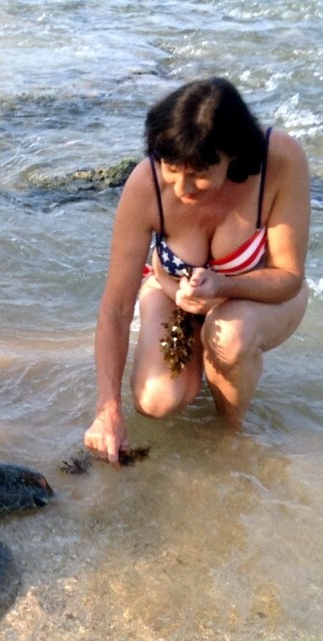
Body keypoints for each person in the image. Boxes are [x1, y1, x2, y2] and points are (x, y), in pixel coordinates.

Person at [84, 77, 310, 465]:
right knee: (155, 400)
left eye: (200, 172)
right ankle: (203, 357)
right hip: (174, 292)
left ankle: (232, 435)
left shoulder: (280, 160)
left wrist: (222, 284)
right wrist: (108, 409)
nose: (182, 187)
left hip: (258, 298)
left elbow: (288, 278)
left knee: (231, 335)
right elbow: (116, 308)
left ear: (234, 155)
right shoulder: (147, 184)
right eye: (172, 167)